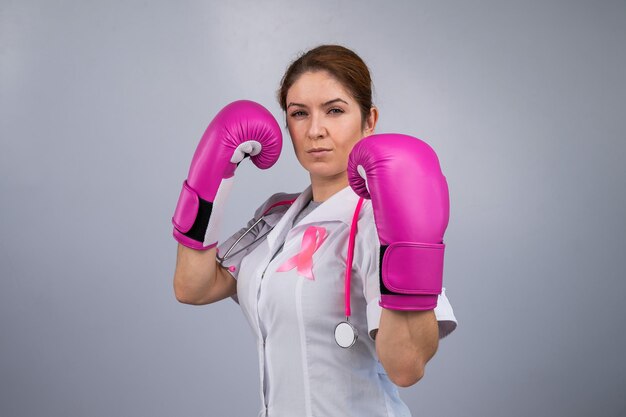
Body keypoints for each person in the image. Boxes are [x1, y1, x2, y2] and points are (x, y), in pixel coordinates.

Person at [172, 45, 457, 417]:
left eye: (335, 111)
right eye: (299, 114)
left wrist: (411, 241)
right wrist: (207, 179)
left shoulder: (376, 222)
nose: (315, 130)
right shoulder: (277, 215)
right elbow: (193, 287)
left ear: (368, 120)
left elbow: (406, 367)